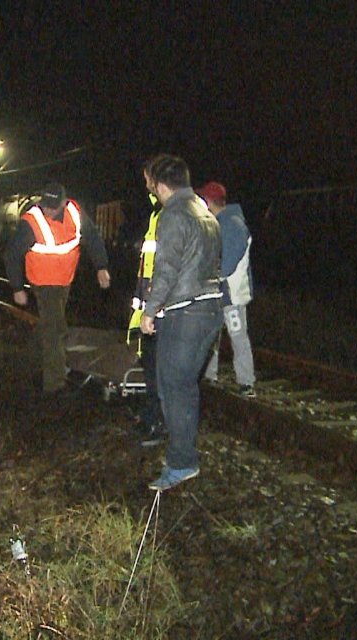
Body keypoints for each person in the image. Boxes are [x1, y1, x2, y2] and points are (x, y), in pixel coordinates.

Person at [139, 155, 222, 491]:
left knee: (171, 389)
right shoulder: (204, 212)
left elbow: (167, 268)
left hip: (185, 313)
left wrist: (150, 310)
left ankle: (181, 463)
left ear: (160, 185)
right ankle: (183, 457)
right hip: (209, 310)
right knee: (184, 387)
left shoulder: (173, 214)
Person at [5, 182, 111, 395]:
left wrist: (101, 266)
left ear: (64, 202)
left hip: (66, 280)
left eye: (54, 206)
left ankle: (40, 363)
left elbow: (92, 238)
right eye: (46, 205)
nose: (49, 210)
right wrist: (18, 288)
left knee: (51, 326)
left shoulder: (75, 213)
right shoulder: (31, 222)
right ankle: (54, 385)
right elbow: (12, 255)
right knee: (55, 330)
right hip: (44, 283)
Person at [197, 181, 257, 398]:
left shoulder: (230, 225)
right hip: (221, 291)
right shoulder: (223, 222)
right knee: (216, 335)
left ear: (209, 201)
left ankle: (246, 382)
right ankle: (212, 376)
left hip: (231, 293)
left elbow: (227, 263)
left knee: (236, 335)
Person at [127, 166, 166, 447]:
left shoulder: (170, 216)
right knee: (153, 370)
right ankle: (151, 418)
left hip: (163, 313)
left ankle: (159, 424)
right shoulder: (157, 214)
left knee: (160, 373)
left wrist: (151, 310)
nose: (145, 185)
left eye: (147, 180)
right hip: (153, 310)